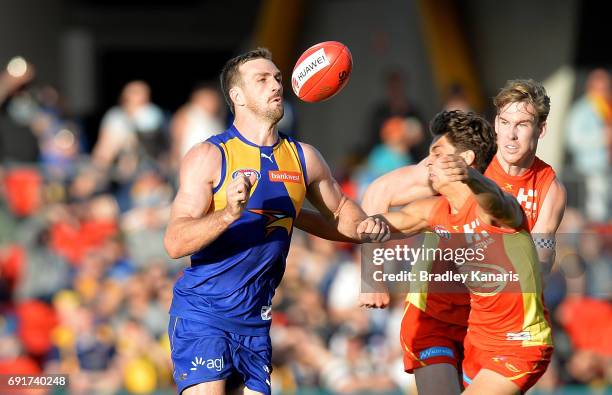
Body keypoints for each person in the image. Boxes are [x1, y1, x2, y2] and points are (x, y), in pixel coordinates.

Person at [163, 48, 389, 395]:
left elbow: (344, 212)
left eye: (278, 78)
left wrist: (366, 230)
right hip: (204, 314)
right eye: (262, 79)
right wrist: (228, 213)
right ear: (237, 96)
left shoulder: (304, 158)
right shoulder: (210, 156)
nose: (276, 85)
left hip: (256, 322)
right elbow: (175, 242)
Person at [360, 79, 566, 394]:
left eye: (522, 124)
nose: (511, 135)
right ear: (496, 124)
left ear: (541, 129)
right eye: (505, 122)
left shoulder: (548, 189)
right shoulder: (468, 161)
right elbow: (380, 191)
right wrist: (372, 277)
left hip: (492, 329)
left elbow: (540, 262)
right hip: (436, 315)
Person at [565, 68, 612, 222]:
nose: (603, 91)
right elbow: (573, 140)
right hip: (591, 170)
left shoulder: (607, 107)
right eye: (599, 88)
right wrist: (602, 137)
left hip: (607, 169)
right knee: (596, 213)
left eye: (606, 87)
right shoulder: (581, 110)